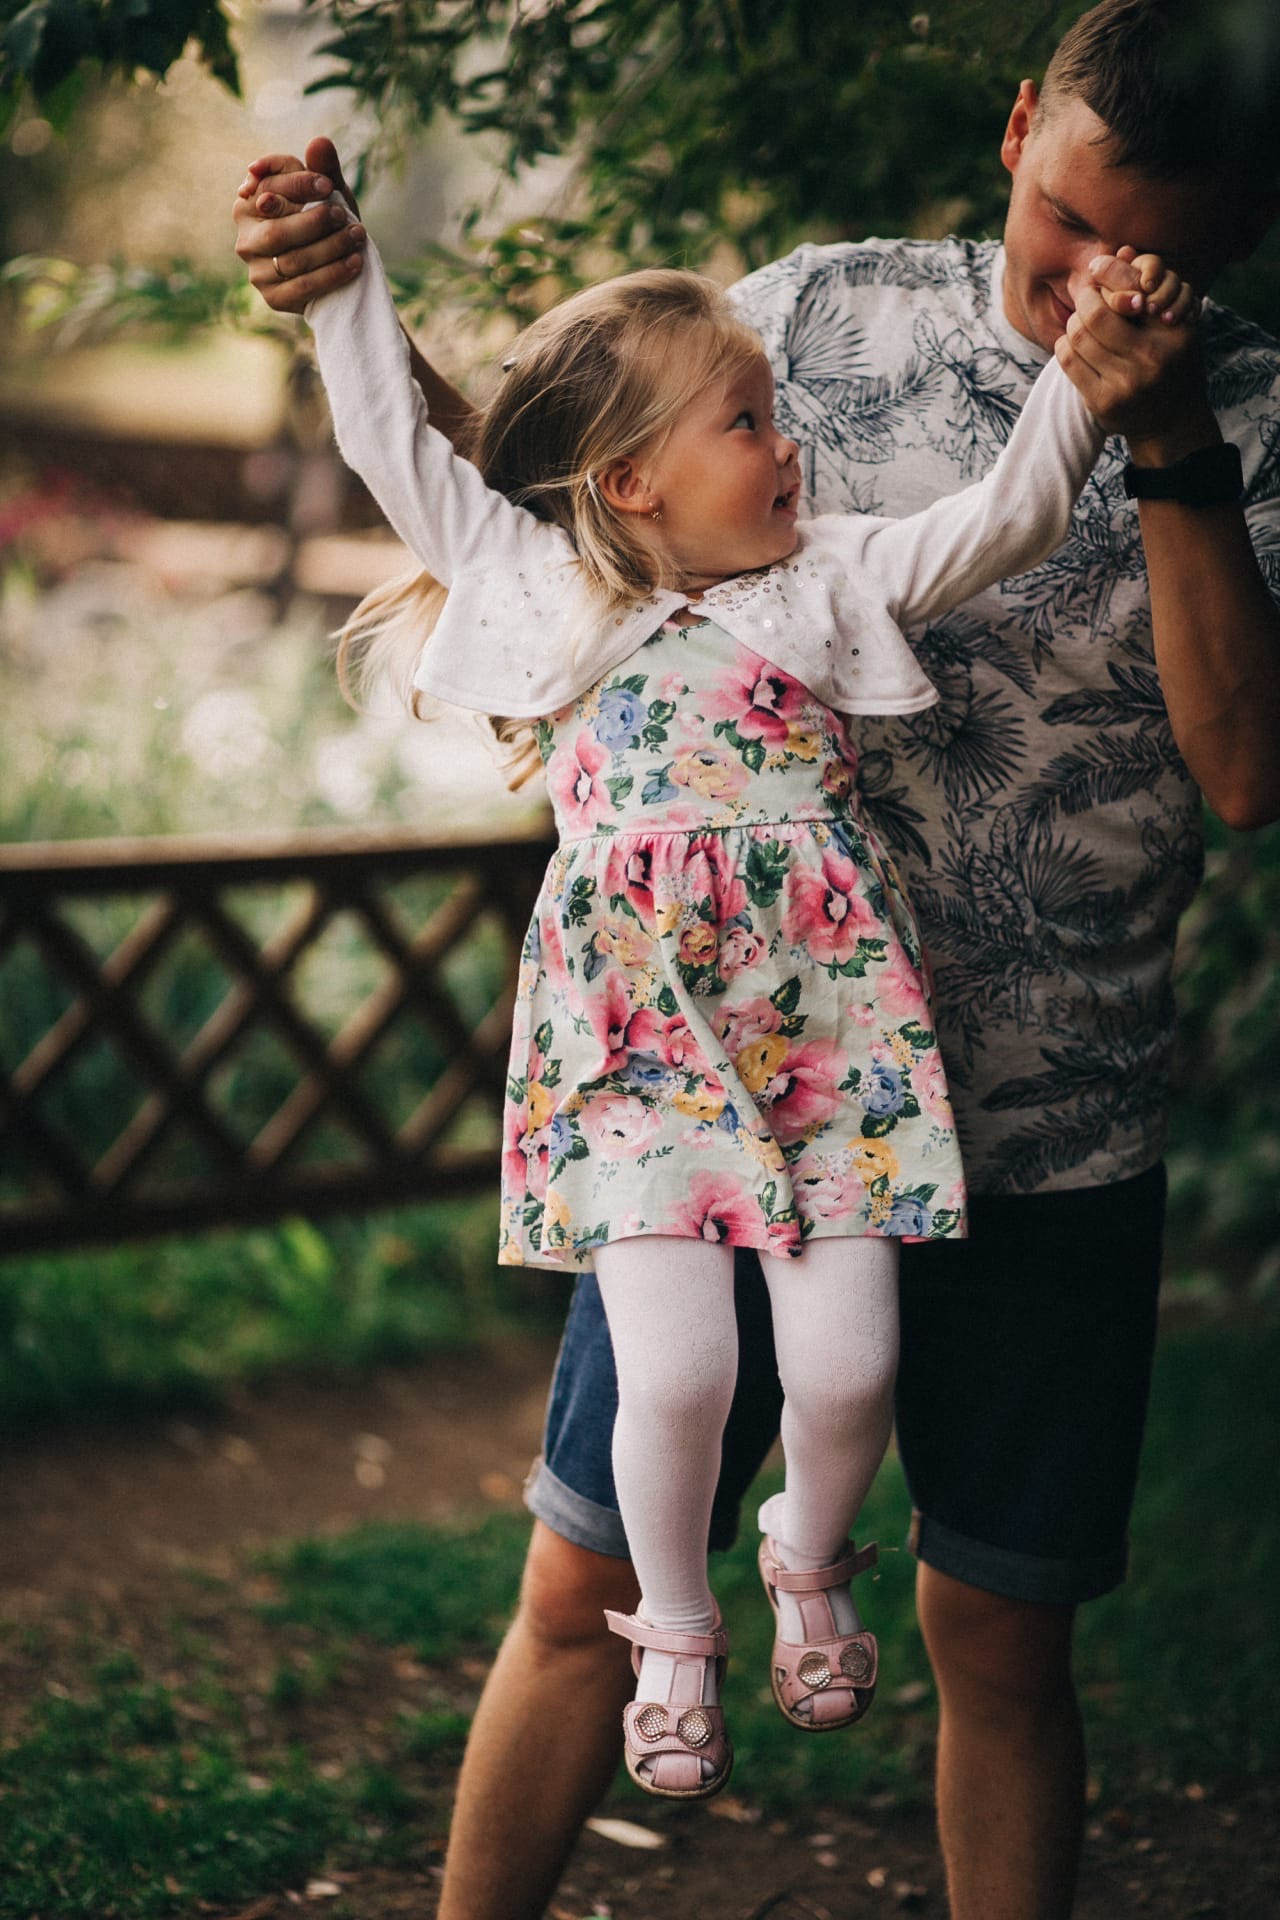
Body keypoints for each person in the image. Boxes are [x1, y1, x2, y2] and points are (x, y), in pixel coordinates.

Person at [233, 0, 1280, 1911]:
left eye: (1154, 252)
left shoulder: (1156, 441)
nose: (1088, 280)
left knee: (974, 1590)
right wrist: (342, 297)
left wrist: (1139, 406)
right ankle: (671, 1673)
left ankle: (805, 1580)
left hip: (992, 1107)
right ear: (1019, 125)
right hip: (673, 1085)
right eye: (1063, 224)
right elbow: (508, 471)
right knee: (608, 1529)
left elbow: (1198, 712)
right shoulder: (749, 381)